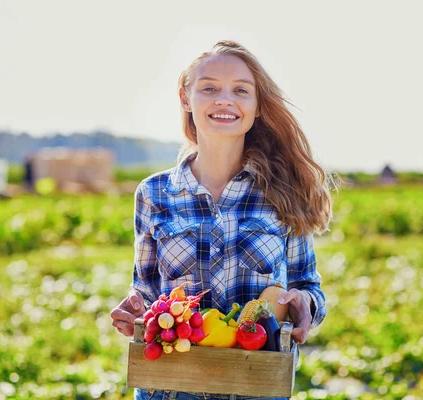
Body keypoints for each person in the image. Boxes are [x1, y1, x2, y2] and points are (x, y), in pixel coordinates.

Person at [110, 40, 334, 400]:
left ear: (258, 106)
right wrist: (133, 306)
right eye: (209, 88)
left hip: (256, 386)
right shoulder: (154, 193)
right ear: (185, 98)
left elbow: (308, 285)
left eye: (241, 91)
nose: (224, 100)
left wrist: (306, 304)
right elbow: (146, 291)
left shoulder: (282, 191)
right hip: (170, 388)